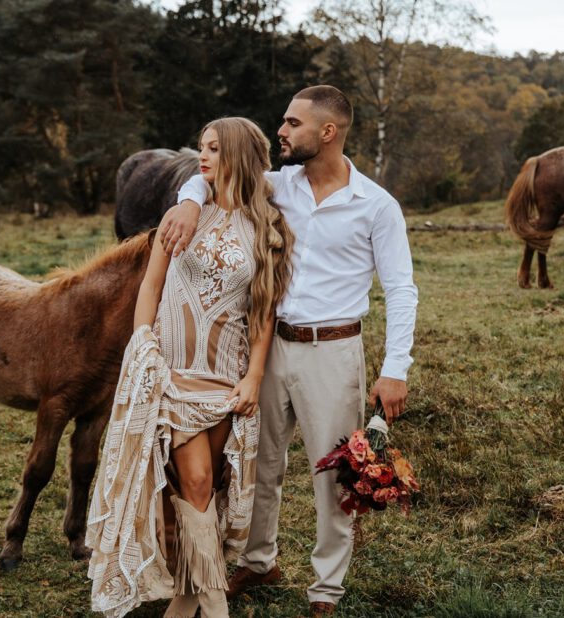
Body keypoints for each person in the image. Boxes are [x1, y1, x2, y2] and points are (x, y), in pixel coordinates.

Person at [159, 85, 418, 617]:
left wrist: (395, 369)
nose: (281, 130)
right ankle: (258, 560)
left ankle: (326, 589)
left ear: (328, 132)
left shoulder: (376, 205)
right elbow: (209, 173)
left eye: (292, 123)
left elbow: (401, 289)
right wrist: (189, 202)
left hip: (335, 352)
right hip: (268, 347)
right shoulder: (277, 185)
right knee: (257, 460)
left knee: (333, 476)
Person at [86, 117, 294, 618]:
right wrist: (144, 347)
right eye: (202, 147)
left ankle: (183, 604)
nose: (202, 157)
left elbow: (263, 312)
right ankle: (216, 606)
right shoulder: (183, 216)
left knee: (207, 491)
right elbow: (151, 287)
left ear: (240, 156)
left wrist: (253, 377)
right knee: (196, 480)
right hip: (172, 369)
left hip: (226, 372)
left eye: (215, 149)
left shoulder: (267, 227)